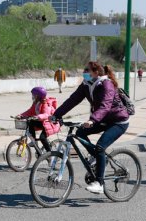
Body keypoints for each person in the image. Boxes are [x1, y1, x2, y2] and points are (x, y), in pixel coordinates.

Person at [52, 61, 131, 194]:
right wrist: (56, 114)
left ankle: (99, 183)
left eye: (87, 70)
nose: (84, 73)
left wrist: (92, 120)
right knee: (80, 132)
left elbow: (105, 105)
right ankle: (97, 157)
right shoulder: (86, 84)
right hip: (102, 120)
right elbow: (73, 100)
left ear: (96, 73)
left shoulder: (107, 84)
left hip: (118, 121)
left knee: (100, 146)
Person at [18, 86, 60, 153]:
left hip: (51, 123)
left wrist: (38, 117)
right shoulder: (36, 103)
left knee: (42, 138)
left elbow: (46, 114)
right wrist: (21, 115)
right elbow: (30, 111)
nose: (32, 96)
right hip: (44, 123)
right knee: (30, 122)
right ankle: (34, 142)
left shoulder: (46, 103)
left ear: (38, 96)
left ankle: (50, 154)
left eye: (34, 95)